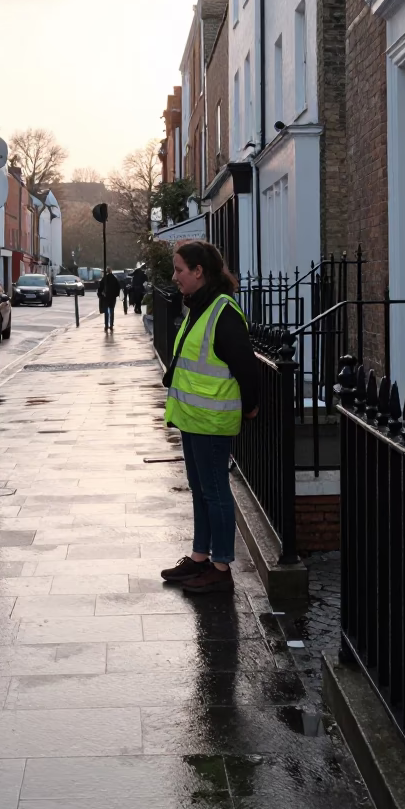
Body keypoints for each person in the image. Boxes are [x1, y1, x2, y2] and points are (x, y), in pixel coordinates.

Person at [160, 240, 259, 595]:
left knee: (215, 492)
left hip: (212, 422)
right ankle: (200, 557)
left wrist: (251, 406)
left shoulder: (223, 311)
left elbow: (246, 367)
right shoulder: (199, 307)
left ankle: (220, 568)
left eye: (180, 270)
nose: (175, 277)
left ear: (199, 272)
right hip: (192, 418)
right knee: (201, 490)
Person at [97, 267, 120, 332]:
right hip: (112, 297)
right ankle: (111, 325)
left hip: (106, 297)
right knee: (112, 311)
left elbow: (100, 287)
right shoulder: (114, 278)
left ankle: (106, 325)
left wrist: (100, 294)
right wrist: (116, 294)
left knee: (106, 312)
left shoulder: (104, 279)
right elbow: (118, 287)